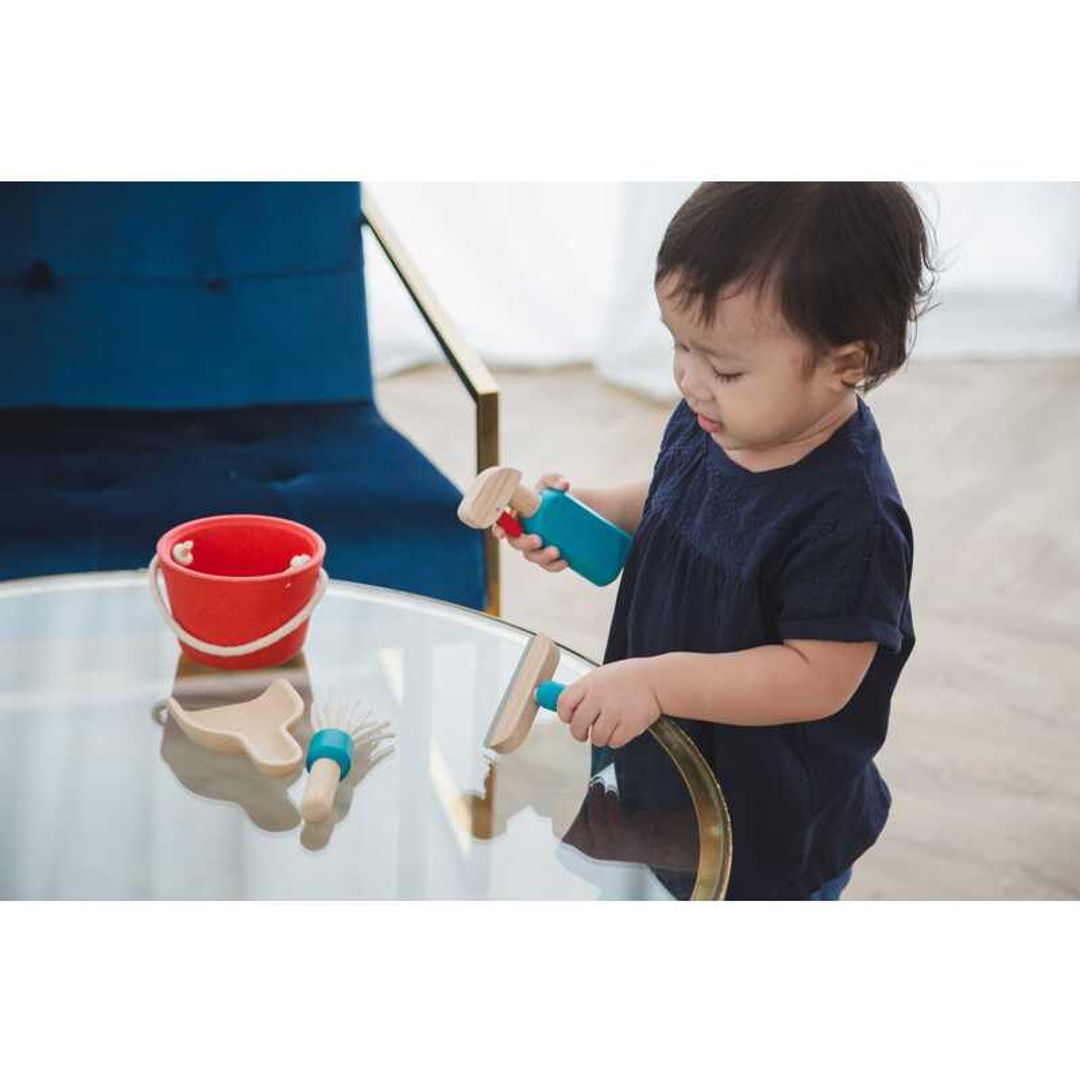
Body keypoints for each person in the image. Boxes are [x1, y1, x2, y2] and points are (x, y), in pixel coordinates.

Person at [494, 183, 934, 900]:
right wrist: (593, 512)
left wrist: (658, 681)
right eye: (679, 346)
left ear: (846, 364)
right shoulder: (721, 420)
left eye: (724, 367)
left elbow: (817, 676)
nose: (690, 381)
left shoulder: (853, 520)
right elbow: (679, 500)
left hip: (762, 820)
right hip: (658, 768)